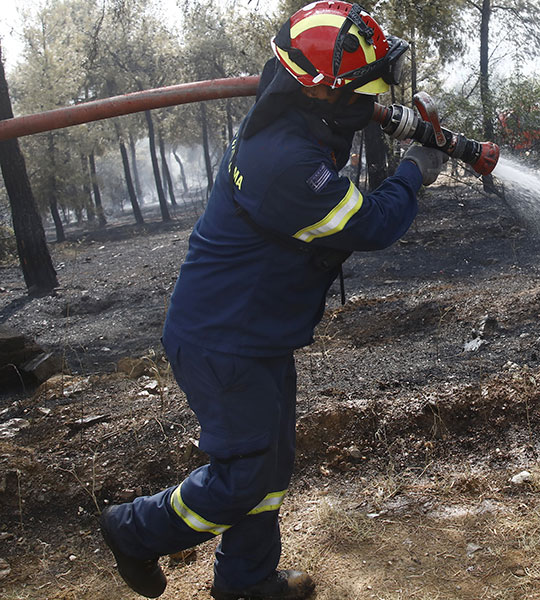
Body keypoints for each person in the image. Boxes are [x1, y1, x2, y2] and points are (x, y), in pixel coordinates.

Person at [98, 3, 447, 599]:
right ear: (324, 93)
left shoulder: (300, 122)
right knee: (242, 476)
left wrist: (390, 125)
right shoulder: (284, 162)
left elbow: (340, 130)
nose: (376, 102)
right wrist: (417, 168)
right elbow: (369, 226)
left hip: (252, 333)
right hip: (222, 339)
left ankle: (247, 580)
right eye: (365, 91)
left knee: (269, 463)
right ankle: (133, 529)